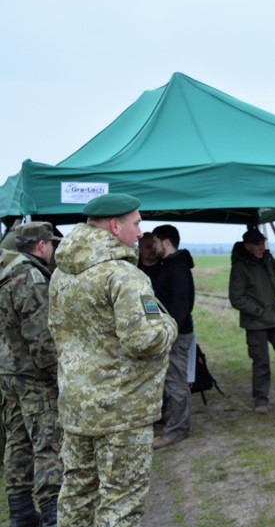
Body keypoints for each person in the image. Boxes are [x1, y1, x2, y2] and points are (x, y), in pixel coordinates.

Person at [48, 193, 177, 526]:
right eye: (136, 224)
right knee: (120, 504)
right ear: (115, 225)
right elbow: (144, 340)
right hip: (122, 411)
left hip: (77, 404)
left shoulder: (62, 273)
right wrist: (169, 327)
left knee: (77, 495)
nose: (140, 233)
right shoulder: (124, 276)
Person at [0, 222, 64, 527]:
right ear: (41, 245)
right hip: (34, 377)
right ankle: (52, 517)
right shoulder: (32, 277)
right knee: (48, 444)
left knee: (18, 442)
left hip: (9, 373)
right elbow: (41, 338)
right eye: (50, 243)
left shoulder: (7, 272)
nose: (52, 249)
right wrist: (58, 377)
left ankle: (22, 513)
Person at [228, 227, 275, 414]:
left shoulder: (269, 260)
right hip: (256, 324)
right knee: (261, 362)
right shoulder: (240, 267)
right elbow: (236, 297)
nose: (262, 247)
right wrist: (259, 311)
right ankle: (261, 401)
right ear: (247, 246)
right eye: (257, 244)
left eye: (263, 243)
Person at [150, 224, 195, 449]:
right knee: (171, 381)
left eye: (155, 242)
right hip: (170, 333)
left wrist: (170, 336)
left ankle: (177, 430)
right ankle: (172, 421)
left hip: (176, 334)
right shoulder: (168, 265)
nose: (152, 247)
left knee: (176, 382)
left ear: (166, 242)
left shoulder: (177, 268)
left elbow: (181, 306)